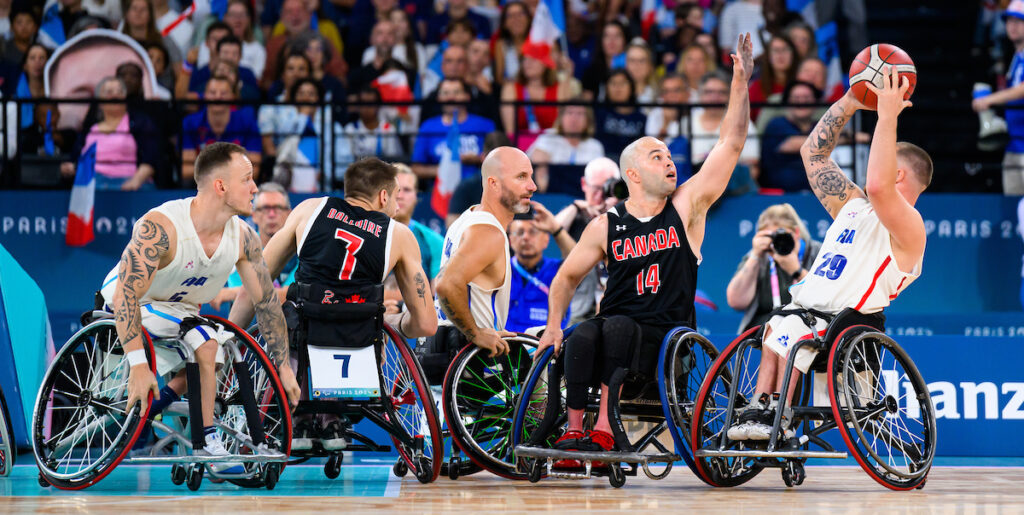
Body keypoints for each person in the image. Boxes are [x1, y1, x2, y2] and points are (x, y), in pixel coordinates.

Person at [536, 34, 754, 459]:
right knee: (581, 333)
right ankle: (573, 431)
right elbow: (564, 278)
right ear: (633, 174)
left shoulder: (686, 208)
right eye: (658, 156)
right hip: (614, 334)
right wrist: (552, 324)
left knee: (613, 327)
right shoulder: (606, 225)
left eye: (670, 155)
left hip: (667, 337)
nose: (669, 161)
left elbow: (731, 142)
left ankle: (605, 427)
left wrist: (740, 82)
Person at [727, 66, 932, 442]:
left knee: (792, 331)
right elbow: (814, 154)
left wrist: (887, 117)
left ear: (899, 176)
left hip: (846, 322)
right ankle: (762, 406)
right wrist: (851, 101)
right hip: (804, 311)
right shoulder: (853, 205)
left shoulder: (910, 226)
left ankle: (779, 415)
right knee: (777, 327)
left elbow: (879, 185)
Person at [102, 142, 300, 472]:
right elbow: (126, 297)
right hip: (131, 302)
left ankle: (153, 409)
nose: (254, 187)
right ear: (220, 186)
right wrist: (139, 365)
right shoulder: (162, 226)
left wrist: (283, 367)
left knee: (216, 351)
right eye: (247, 179)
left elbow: (265, 304)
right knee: (204, 341)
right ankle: (208, 443)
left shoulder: (244, 238)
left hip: (179, 313)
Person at [228, 157, 437, 448]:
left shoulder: (309, 210)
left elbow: (256, 281)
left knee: (291, 311)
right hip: (360, 333)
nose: (396, 205)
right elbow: (427, 323)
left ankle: (298, 413)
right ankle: (331, 419)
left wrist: (228, 339)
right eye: (395, 196)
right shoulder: (399, 235)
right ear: (383, 196)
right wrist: (396, 322)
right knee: (369, 319)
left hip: (303, 327)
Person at [434, 147, 537, 359]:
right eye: (521, 177)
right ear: (493, 183)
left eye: (531, 177)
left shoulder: (467, 217)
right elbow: (445, 284)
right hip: (471, 358)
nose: (532, 186)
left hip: (443, 347)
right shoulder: (488, 232)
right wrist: (476, 333)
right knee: (546, 357)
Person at [725, 203, 822, 333]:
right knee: (772, 329)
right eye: (772, 237)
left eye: (782, 236)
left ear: (797, 233)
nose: (778, 242)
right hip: (763, 328)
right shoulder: (761, 256)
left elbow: (827, 299)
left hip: (809, 326)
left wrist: (796, 271)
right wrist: (755, 256)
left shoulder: (818, 252)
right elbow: (736, 302)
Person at [60, 76, 160, 190]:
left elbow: (151, 157)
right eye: (109, 92)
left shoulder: (140, 122)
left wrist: (135, 181)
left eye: (119, 92)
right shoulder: (90, 129)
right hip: (94, 184)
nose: (115, 95)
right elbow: (78, 160)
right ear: (100, 101)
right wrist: (71, 168)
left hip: (128, 183)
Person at [210, 182, 296, 312]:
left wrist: (229, 293)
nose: (271, 215)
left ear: (289, 214)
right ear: (254, 215)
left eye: (278, 208)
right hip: (250, 328)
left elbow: (291, 297)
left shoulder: (301, 250)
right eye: (265, 208)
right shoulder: (240, 245)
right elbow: (244, 299)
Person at [554, 157, 621, 323]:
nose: (600, 196)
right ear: (584, 184)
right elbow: (552, 227)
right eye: (596, 189)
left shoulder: (624, 215)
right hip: (581, 306)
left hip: (617, 304)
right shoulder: (576, 214)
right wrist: (576, 207)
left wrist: (617, 211)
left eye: (606, 189)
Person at [973, 0, 1024, 194]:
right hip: (1014, 143)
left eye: (1019, 21)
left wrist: (990, 99)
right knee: (1014, 211)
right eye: (1010, 20)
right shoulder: (1016, 56)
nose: (1012, 26)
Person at [506, 203, 576, 332]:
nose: (525, 237)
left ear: (546, 240)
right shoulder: (500, 269)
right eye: (519, 232)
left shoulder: (558, 270)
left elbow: (578, 261)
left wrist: (555, 228)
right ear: (510, 240)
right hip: (505, 345)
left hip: (546, 346)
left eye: (533, 232)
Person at [181, 76, 262, 184]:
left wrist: (211, 169)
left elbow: (254, 170)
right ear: (204, 96)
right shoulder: (190, 123)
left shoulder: (248, 122)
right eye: (212, 92)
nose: (217, 97)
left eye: (223, 93)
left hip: (236, 185)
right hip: (200, 185)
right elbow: (185, 170)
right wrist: (226, 170)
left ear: (233, 97)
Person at [411, 78, 496, 180]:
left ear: (467, 96)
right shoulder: (428, 126)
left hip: (478, 187)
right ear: (438, 98)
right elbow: (416, 168)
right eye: (445, 93)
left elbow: (498, 161)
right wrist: (445, 169)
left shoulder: (486, 125)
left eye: (457, 92)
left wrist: (477, 159)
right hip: (439, 190)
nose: (451, 97)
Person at [527, 102, 605, 192]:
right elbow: (538, 172)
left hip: (582, 196)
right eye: (570, 113)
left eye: (580, 114)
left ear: (588, 120)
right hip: (551, 195)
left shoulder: (595, 146)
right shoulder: (548, 137)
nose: (574, 119)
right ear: (561, 118)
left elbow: (597, 181)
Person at [759, 81, 821, 191]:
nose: (801, 102)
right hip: (780, 196)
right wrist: (838, 138)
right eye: (796, 98)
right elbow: (794, 144)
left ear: (816, 102)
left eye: (807, 98)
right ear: (787, 102)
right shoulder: (777, 124)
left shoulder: (820, 126)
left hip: (819, 195)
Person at [394, 163, 444, 281]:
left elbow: (436, 296)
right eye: (395, 189)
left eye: (406, 190)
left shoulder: (434, 242)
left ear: (416, 196)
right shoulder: (367, 235)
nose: (400, 196)